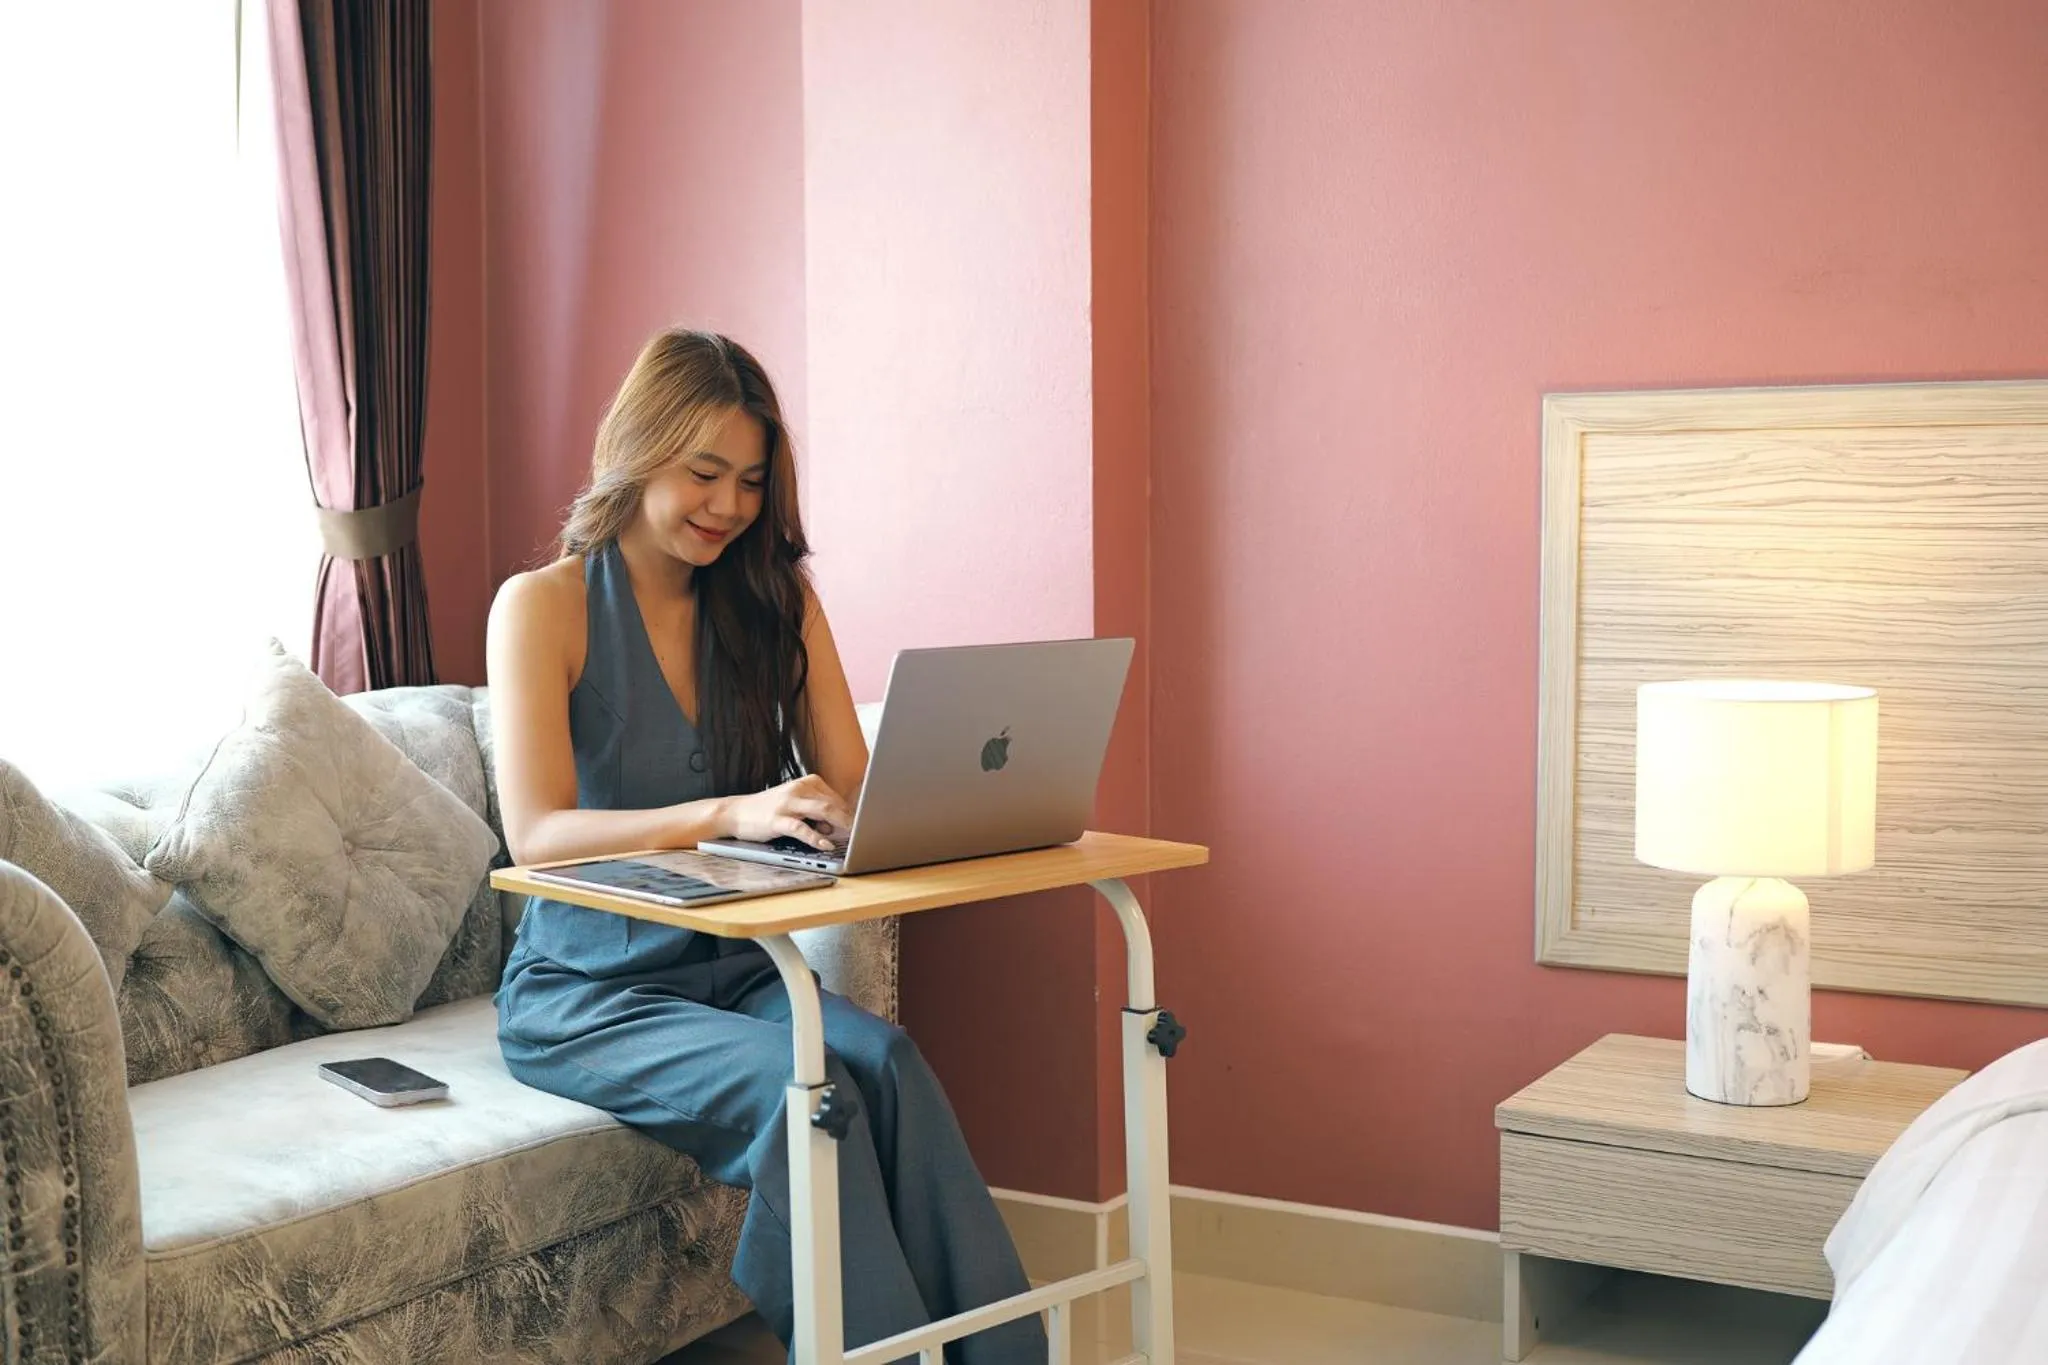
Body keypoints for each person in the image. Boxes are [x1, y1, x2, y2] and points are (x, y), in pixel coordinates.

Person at [487, 329, 1043, 1362]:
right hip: (585, 993)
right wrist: (726, 813)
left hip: (737, 973)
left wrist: (866, 808)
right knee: (810, 1097)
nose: (728, 506)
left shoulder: (772, 602)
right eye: (704, 472)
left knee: (886, 1060)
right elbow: (536, 832)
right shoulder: (543, 606)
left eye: (748, 481)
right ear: (637, 448)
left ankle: (1006, 1358)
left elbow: (853, 781)